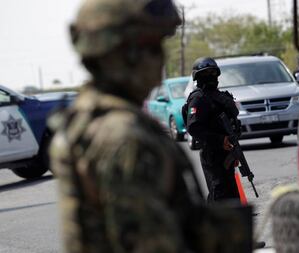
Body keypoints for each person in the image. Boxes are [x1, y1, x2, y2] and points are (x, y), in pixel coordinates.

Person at [48, 0, 252, 252]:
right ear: (124, 52)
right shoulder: (124, 138)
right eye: (153, 48)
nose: (161, 59)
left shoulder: (86, 118)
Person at [185, 57, 241, 203]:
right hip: (212, 154)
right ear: (198, 77)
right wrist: (219, 140)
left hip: (227, 152)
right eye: (205, 74)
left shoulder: (222, 97)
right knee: (219, 194)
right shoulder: (198, 98)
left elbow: (234, 121)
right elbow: (194, 127)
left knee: (231, 194)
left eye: (213, 73)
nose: (210, 77)